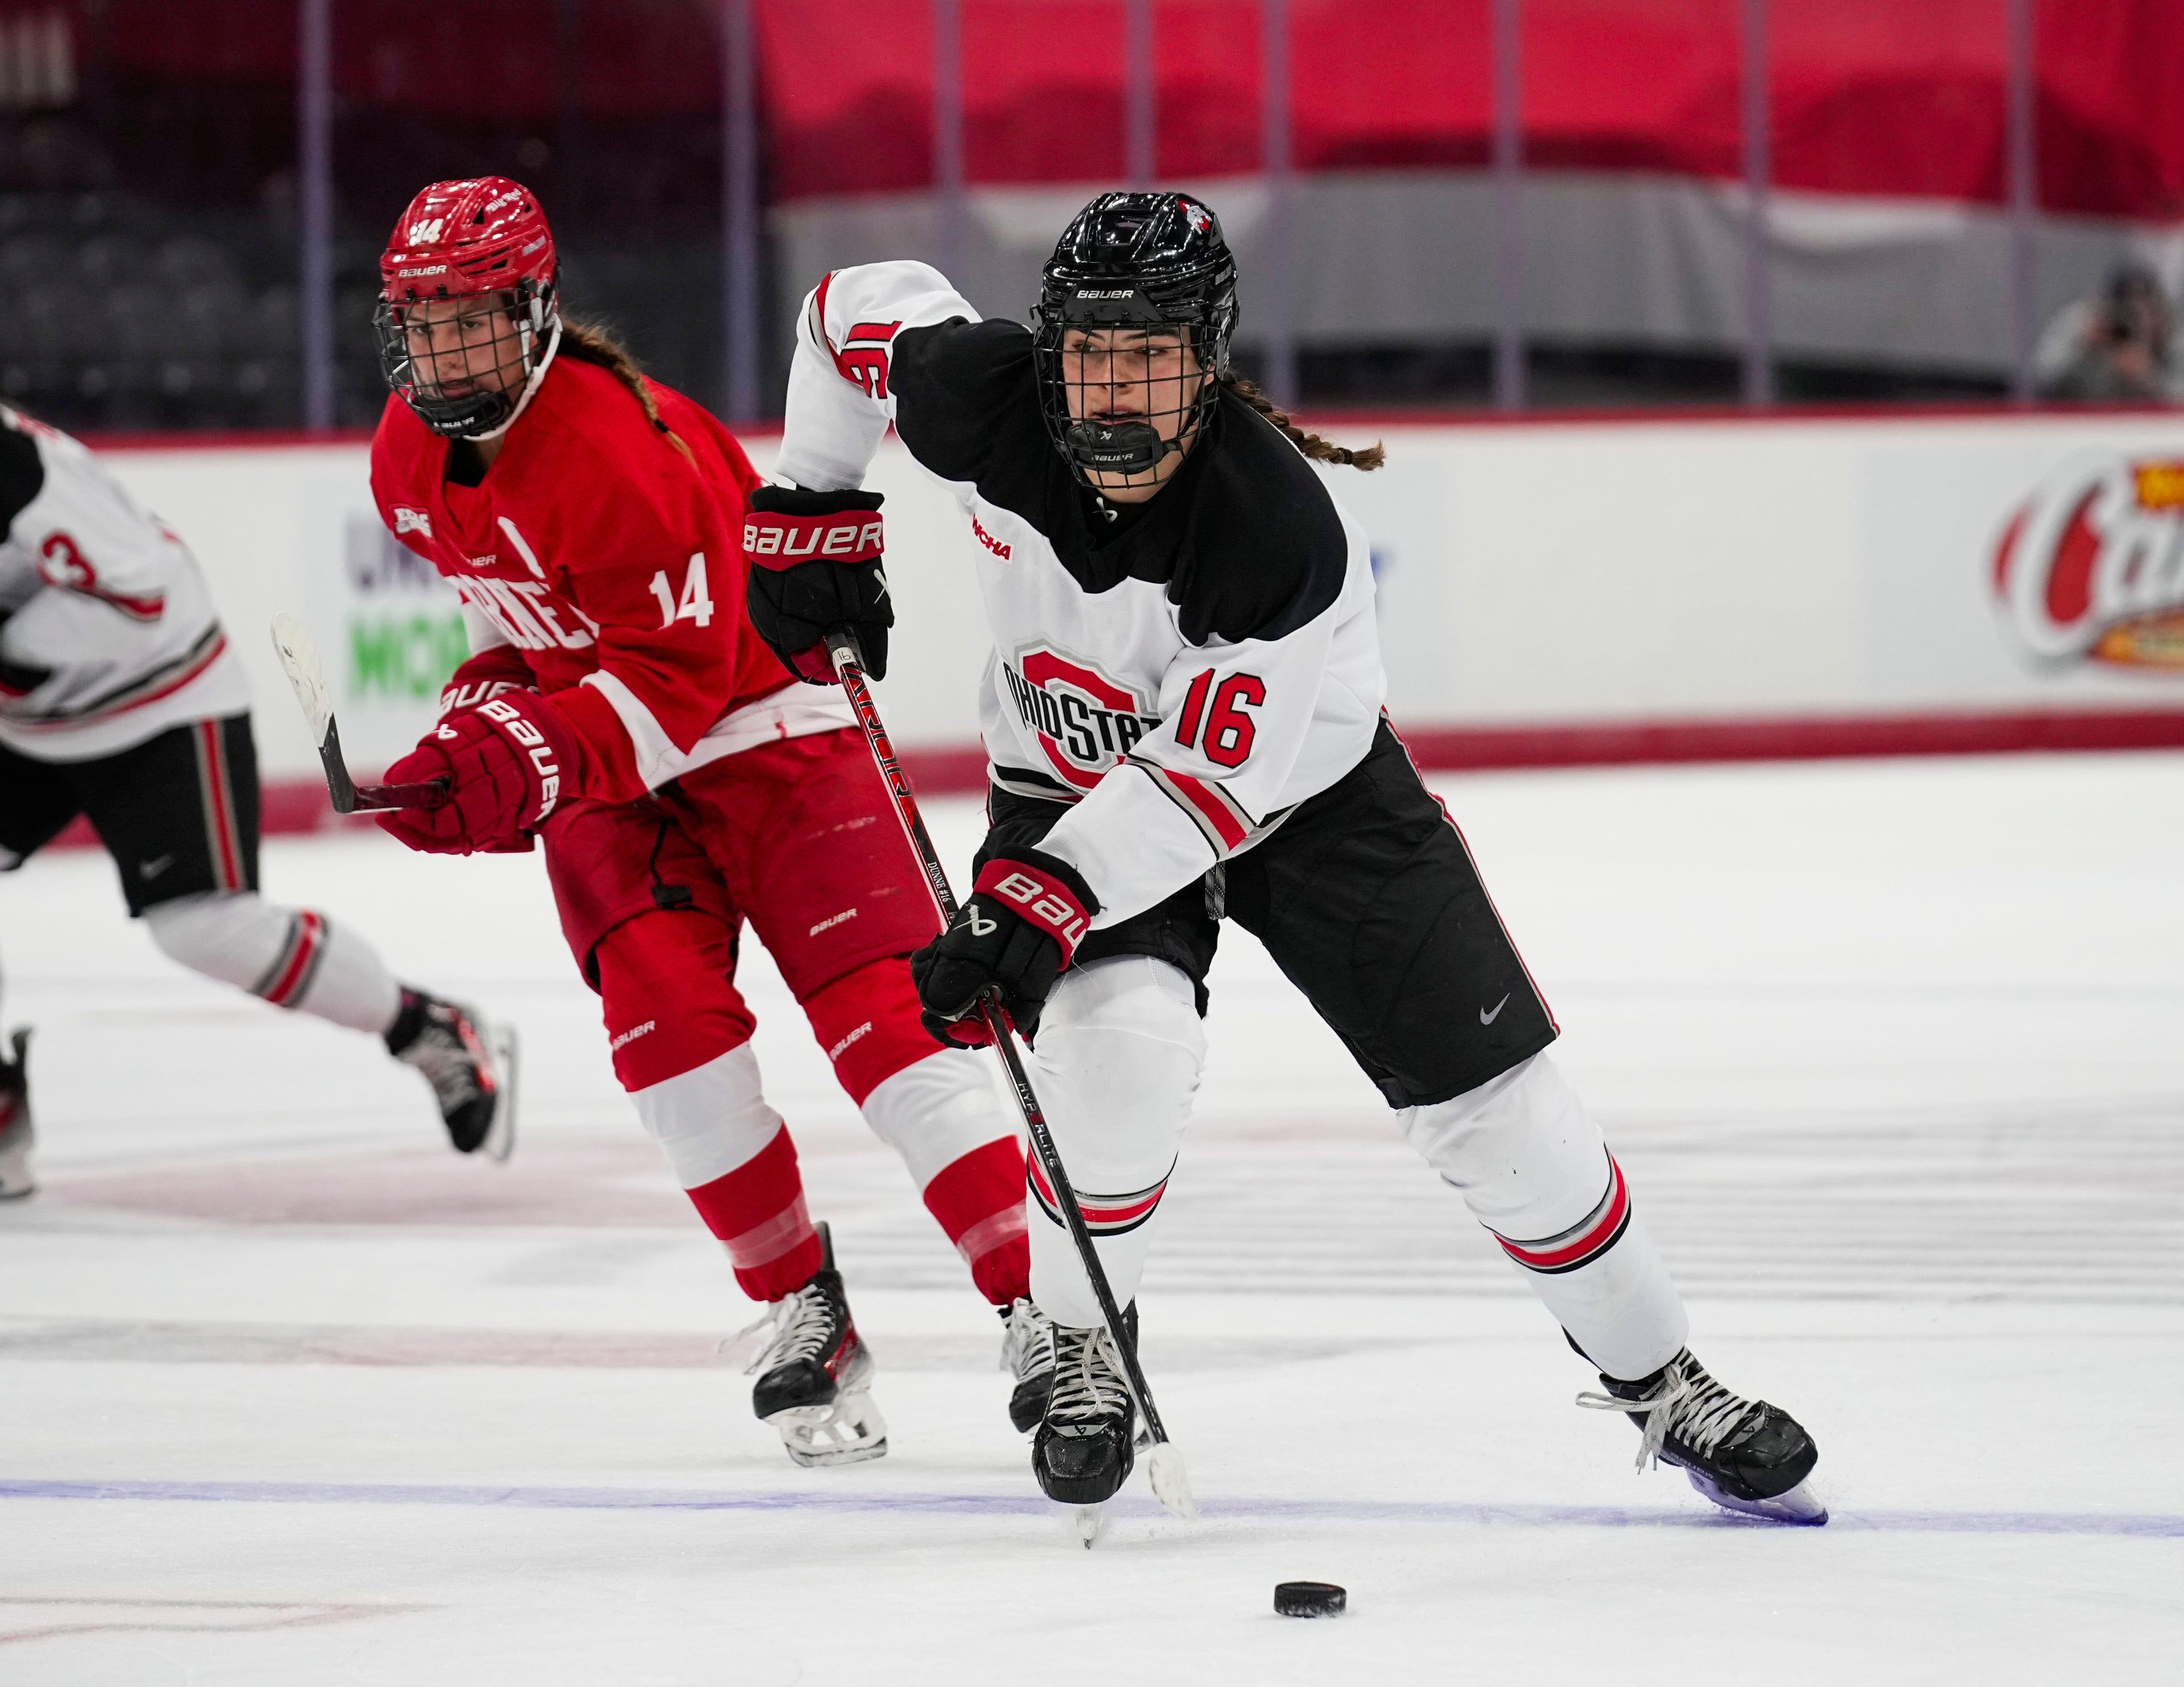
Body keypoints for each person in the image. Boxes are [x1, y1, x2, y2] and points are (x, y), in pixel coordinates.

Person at [750, 192, 1824, 1522]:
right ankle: (1084, 1337)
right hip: (1067, 777)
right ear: (1046, 350)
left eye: (1149, 359)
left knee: (1504, 1113)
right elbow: (846, 312)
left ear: (1206, 362)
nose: (1113, 396)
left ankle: (1661, 1378)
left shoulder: (1273, 527)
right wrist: (810, 498)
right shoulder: (977, 395)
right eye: (1090, 352)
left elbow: (1208, 783)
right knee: (1119, 1054)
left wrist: (1037, 894)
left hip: (1303, 797)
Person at [363, 177, 1043, 1467]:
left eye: (472, 319)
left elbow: (676, 687)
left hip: (767, 735)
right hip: (612, 769)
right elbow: (528, 632)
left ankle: (1041, 1305)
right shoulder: (407, 458)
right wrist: (474, 728)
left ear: (536, 307)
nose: (446, 350)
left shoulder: (625, 450)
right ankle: (802, 1306)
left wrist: (515, 754)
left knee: (896, 1037)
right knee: (670, 1057)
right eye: (425, 322)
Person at [0, 277, 511, 1205]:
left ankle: (425, 1026)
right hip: (25, 723)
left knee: (205, 930)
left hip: (159, 703)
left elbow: (147, 601)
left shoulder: (6, 466)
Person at [2033, 262, 2184, 403]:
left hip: (2149, 427)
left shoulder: (2170, 329)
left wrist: (2147, 376)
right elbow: (2043, 380)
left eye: (2141, 310)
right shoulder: (2084, 321)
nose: (2131, 320)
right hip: (2086, 420)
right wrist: (2082, 346)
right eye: (2125, 309)